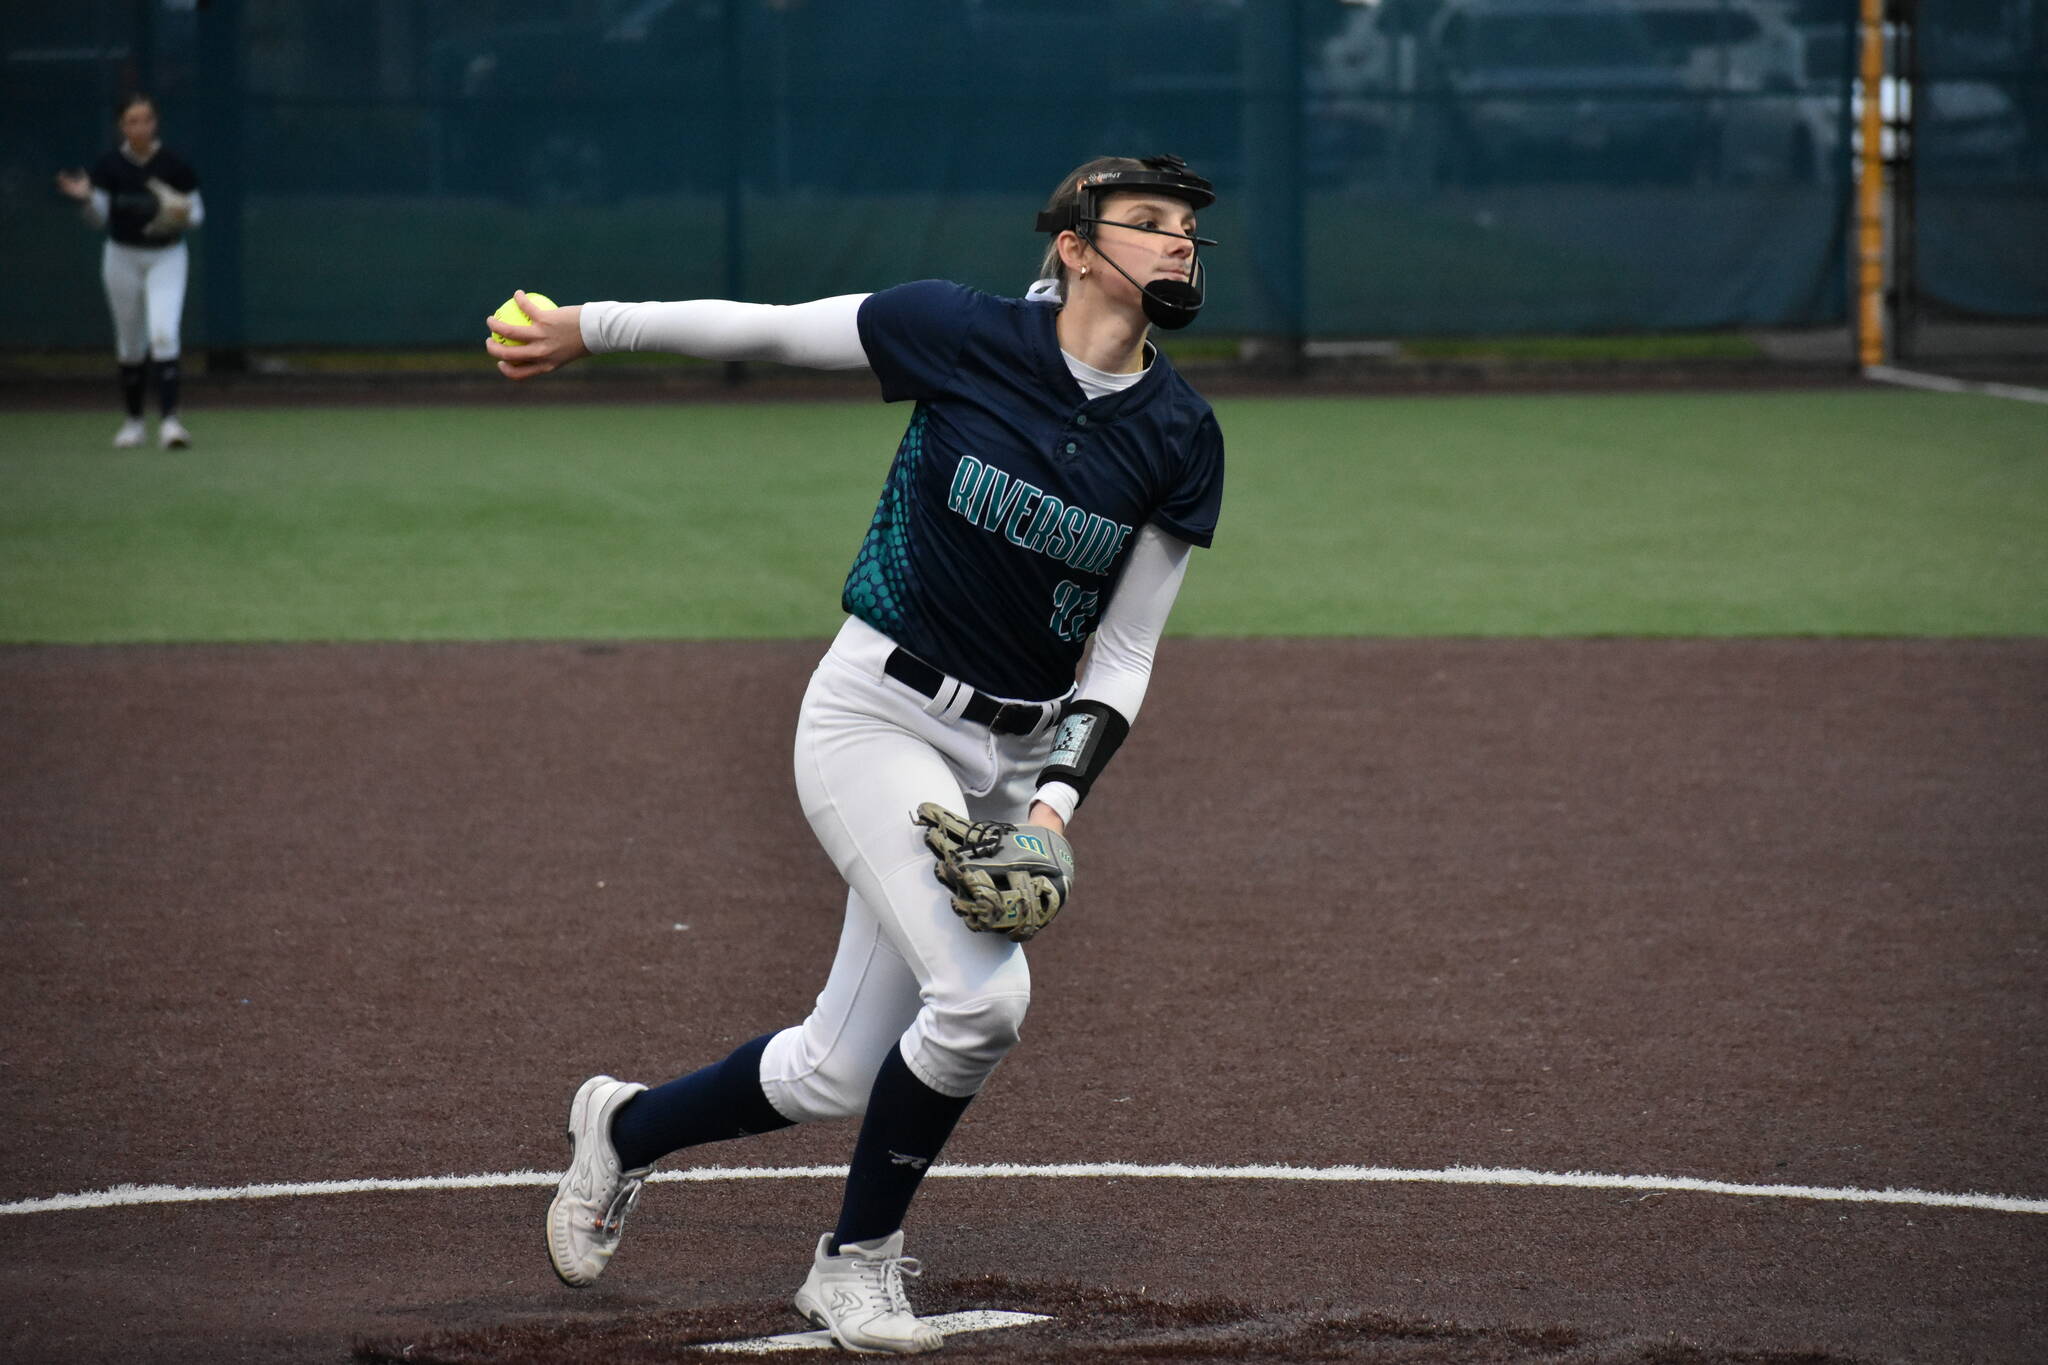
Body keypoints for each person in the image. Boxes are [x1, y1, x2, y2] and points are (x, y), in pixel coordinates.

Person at [485, 154, 1225, 1356]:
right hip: (875, 719)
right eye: (1148, 224)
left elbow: (1124, 654)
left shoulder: (1181, 434)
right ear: (1076, 246)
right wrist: (590, 327)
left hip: (1008, 759)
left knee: (832, 1072)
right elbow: (771, 334)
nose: (1179, 244)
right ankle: (854, 1268)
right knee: (982, 1003)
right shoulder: (958, 332)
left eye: (1187, 228)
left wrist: (1049, 811)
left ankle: (619, 1132)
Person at [55, 93, 203, 450]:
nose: (141, 127)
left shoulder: (175, 165)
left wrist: (182, 214)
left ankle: (170, 424)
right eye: (133, 121)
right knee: (130, 342)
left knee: (164, 334)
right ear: (122, 127)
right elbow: (99, 219)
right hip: (122, 257)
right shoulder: (110, 167)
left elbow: (197, 215)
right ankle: (134, 423)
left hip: (166, 257)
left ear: (155, 123)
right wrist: (88, 197)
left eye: (147, 119)